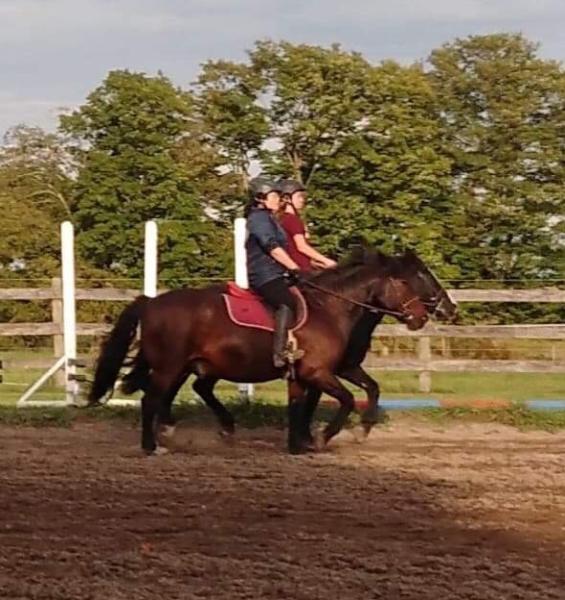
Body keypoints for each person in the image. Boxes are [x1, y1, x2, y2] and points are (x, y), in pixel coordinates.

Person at [245, 176, 303, 368]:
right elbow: (271, 246)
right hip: (263, 274)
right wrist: (294, 266)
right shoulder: (258, 219)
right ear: (260, 198)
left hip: (274, 272)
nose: (278, 198)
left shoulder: (269, 218)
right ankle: (279, 354)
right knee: (286, 302)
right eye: (274, 195)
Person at [278, 179, 337, 271]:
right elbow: (301, 246)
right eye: (298, 197)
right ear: (287, 199)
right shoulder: (292, 220)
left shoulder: (283, 218)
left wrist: (315, 263)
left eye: (303, 197)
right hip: (302, 270)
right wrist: (326, 261)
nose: (302, 200)